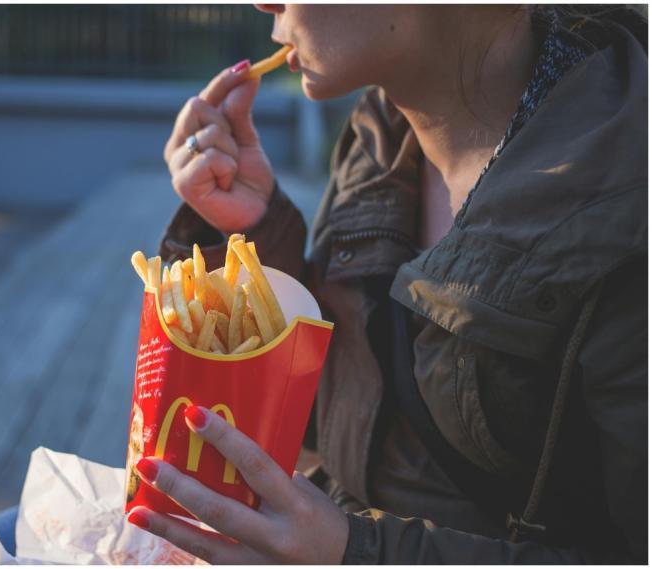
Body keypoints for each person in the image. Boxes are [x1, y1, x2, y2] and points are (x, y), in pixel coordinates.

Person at [126, 4, 648, 564]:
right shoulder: (380, 133)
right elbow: (357, 424)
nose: (262, 2)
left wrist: (355, 553)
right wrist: (251, 231)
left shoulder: (626, 198)